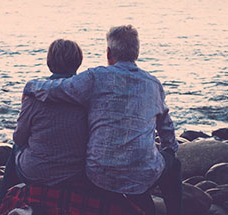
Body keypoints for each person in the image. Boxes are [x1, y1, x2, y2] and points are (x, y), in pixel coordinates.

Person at [23, 25, 183, 215]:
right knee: (173, 165)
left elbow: (56, 88)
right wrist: (168, 150)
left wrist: (30, 85)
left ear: (109, 53)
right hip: (142, 175)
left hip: (99, 175)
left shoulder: (95, 77)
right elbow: (166, 129)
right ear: (136, 54)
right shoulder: (153, 84)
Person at [0, 39, 145, 215]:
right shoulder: (89, 96)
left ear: (49, 63)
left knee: (17, 145)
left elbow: (19, 138)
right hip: (78, 172)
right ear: (78, 62)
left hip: (37, 172)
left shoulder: (35, 94)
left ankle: (1, 199)